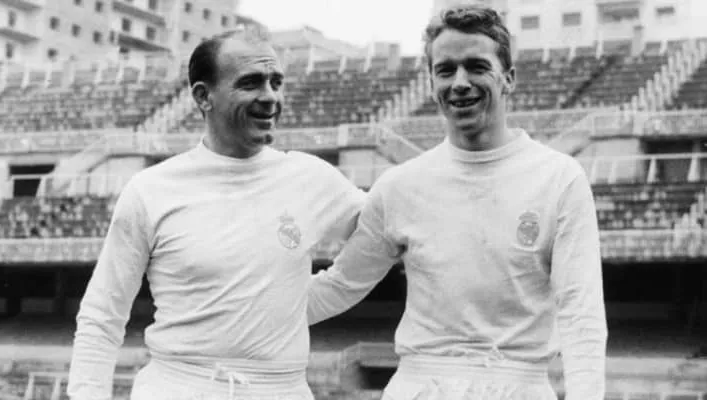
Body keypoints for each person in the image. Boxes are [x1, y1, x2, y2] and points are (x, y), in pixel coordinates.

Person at [308, 5, 608, 400]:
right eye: (446, 70)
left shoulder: (559, 179)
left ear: (508, 78)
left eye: (476, 67)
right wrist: (243, 304)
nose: (460, 83)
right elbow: (340, 284)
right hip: (421, 387)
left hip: (518, 385)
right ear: (432, 81)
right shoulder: (401, 185)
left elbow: (581, 310)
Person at [67, 26, 365, 400]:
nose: (270, 97)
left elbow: (385, 236)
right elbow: (102, 315)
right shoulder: (151, 190)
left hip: (281, 390)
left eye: (276, 82)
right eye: (251, 83)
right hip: (178, 388)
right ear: (203, 96)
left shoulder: (311, 178)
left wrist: (306, 302)